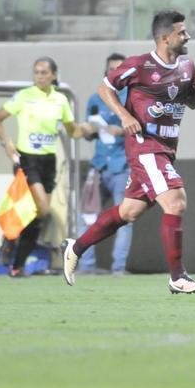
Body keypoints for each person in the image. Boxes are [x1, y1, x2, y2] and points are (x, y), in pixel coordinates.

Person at [62, 10, 195, 294]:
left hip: (167, 149)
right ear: (165, 38)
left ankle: (76, 247)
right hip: (145, 147)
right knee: (176, 202)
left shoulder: (187, 65)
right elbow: (105, 88)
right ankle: (178, 277)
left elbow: (191, 103)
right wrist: (123, 115)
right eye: (182, 32)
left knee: (129, 211)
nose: (187, 35)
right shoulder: (139, 65)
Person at [0, 57, 92, 277]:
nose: (40, 76)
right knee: (43, 208)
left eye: (44, 72)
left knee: (37, 215)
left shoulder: (60, 100)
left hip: (48, 161)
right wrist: (6, 143)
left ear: (54, 75)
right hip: (28, 160)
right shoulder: (24, 96)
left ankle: (17, 265)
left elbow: (72, 131)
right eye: (37, 72)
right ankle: (8, 238)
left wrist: (84, 129)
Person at [78, 52, 134, 275]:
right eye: (112, 69)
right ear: (105, 73)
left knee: (126, 218)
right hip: (99, 165)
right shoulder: (95, 99)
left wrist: (122, 130)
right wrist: (87, 131)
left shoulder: (134, 97)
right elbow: (90, 134)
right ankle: (86, 265)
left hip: (123, 165)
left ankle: (118, 268)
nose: (116, 73)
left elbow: (144, 130)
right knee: (87, 215)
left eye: (121, 69)